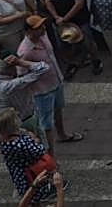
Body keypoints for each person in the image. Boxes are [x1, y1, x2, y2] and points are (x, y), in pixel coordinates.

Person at [17, 15, 80, 151]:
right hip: (42, 91)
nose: (43, 28)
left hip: (56, 81)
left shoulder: (43, 37)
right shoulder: (25, 51)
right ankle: (49, 151)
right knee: (46, 123)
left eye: (42, 25)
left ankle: (62, 134)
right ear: (29, 32)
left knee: (58, 110)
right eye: (38, 28)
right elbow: (21, 74)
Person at [43, 0, 102, 78]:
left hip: (79, 20)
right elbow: (48, 0)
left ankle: (96, 61)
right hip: (59, 21)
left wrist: (65, 18)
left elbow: (79, 3)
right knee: (63, 45)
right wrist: (56, 16)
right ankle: (72, 63)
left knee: (88, 42)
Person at [0, 110, 58, 206]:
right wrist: (35, 139)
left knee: (28, 195)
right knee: (34, 194)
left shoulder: (1, 141)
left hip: (18, 173)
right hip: (30, 174)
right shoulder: (22, 144)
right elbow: (40, 150)